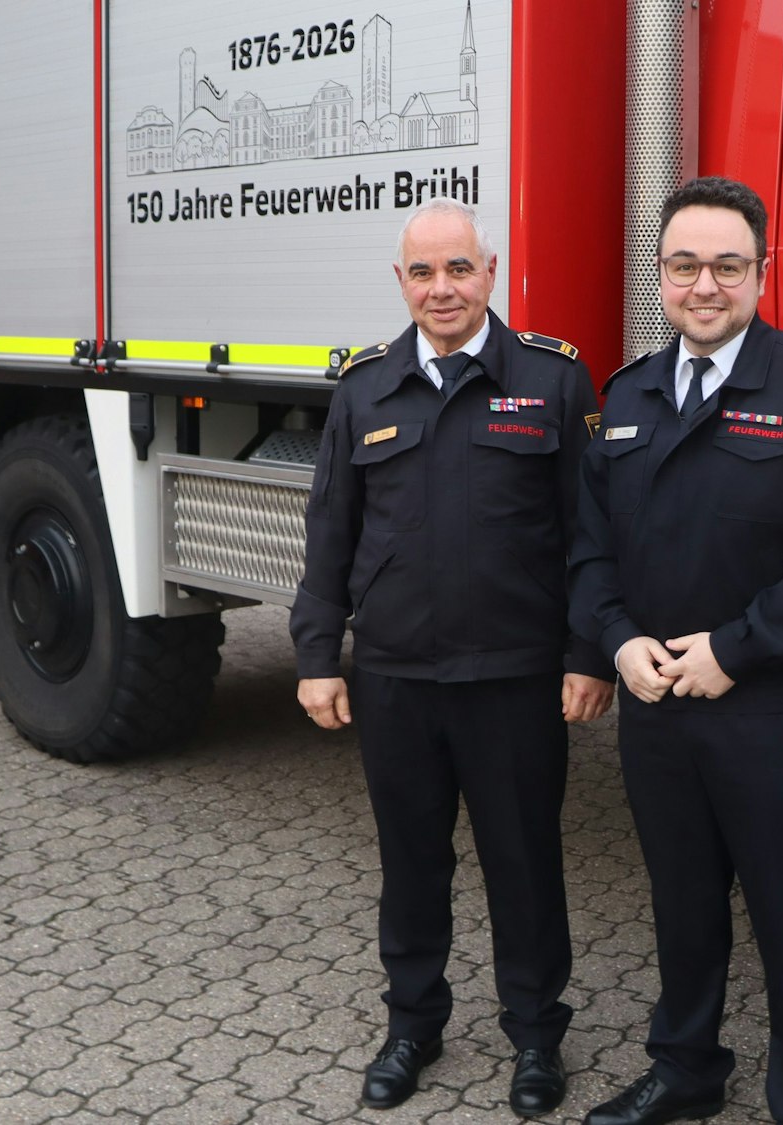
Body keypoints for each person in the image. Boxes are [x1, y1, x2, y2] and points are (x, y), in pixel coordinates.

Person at [289, 196, 615, 1118]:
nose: (442, 288)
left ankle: (537, 1036)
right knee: (411, 863)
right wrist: (318, 655)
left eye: (458, 269)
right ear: (401, 283)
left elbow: (589, 535)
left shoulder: (553, 380)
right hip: (394, 679)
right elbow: (330, 537)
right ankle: (413, 1024)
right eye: (423, 272)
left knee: (525, 862)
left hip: (515, 679)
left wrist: (588, 651)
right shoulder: (364, 389)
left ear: (492, 272)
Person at [568, 176, 783, 1125]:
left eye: (727, 267)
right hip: (658, 709)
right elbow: (586, 551)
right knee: (683, 909)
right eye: (685, 265)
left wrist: (735, 650)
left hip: (768, 711)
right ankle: (687, 1068)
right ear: (660, 274)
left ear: (760, 272)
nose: (705, 286)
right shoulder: (625, 397)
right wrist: (616, 643)